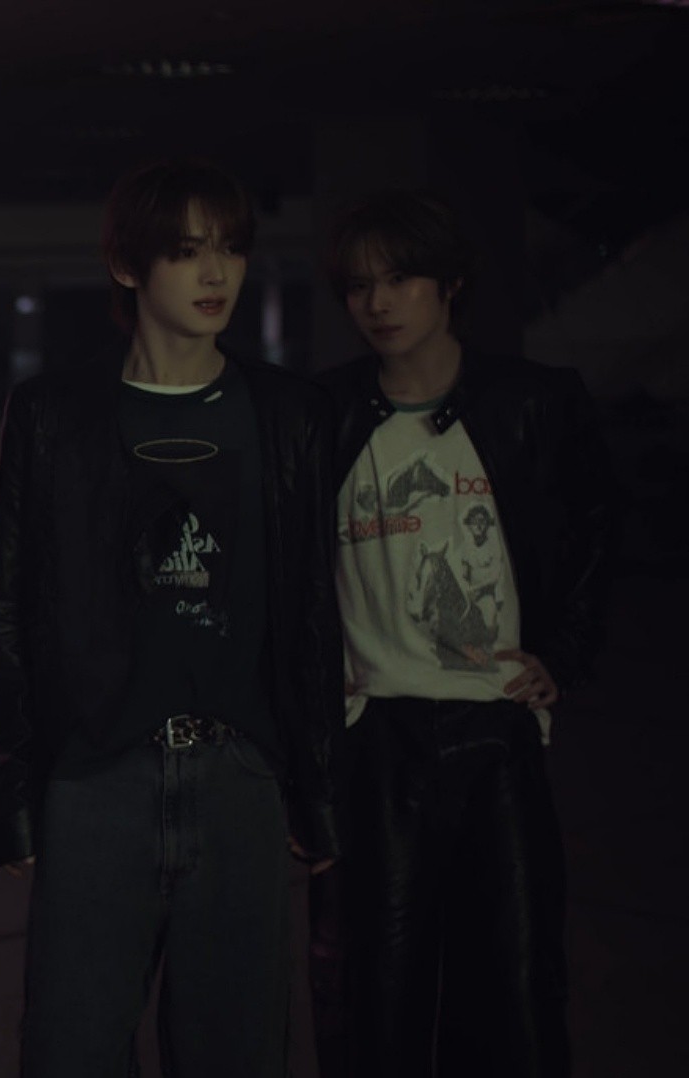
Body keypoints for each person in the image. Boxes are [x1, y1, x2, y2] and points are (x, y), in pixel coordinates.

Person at [0, 158, 340, 1076]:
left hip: (240, 777)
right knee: (72, 1051)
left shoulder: (289, 413)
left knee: (237, 1055)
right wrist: (16, 789)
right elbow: (10, 608)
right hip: (98, 777)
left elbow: (313, 610)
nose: (216, 273)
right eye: (186, 252)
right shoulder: (54, 414)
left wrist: (314, 785)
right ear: (126, 264)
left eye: (230, 249)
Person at [317, 189, 610, 1078]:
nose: (378, 303)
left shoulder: (533, 403)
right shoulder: (324, 415)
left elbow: (593, 534)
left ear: (449, 285)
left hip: (496, 729)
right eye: (359, 286)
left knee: (513, 990)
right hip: (378, 736)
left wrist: (563, 655)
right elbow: (282, 568)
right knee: (379, 995)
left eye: (400, 279)